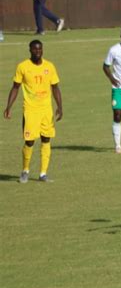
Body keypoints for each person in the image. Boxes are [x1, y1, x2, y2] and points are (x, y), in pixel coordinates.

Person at [3, 40, 63, 183]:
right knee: (29, 141)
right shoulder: (23, 67)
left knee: (46, 139)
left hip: (46, 110)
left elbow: (55, 87)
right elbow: (16, 87)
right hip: (30, 110)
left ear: (42, 50)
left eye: (40, 49)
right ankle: (25, 171)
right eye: (35, 49)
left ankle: (43, 173)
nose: (38, 52)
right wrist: (8, 107)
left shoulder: (49, 66)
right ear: (30, 50)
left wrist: (60, 106)